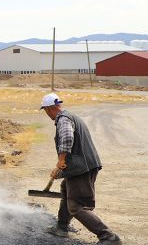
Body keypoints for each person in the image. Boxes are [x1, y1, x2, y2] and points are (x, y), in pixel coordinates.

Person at [41, 93, 121, 244]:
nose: (47, 114)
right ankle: (62, 227)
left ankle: (108, 236)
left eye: (45, 110)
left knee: (77, 206)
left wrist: (61, 160)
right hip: (83, 165)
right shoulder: (70, 116)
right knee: (66, 189)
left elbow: (67, 138)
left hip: (82, 168)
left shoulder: (63, 119)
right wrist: (62, 165)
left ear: (50, 108)